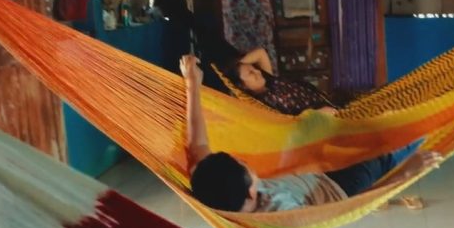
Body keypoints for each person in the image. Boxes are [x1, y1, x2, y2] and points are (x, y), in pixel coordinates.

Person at [181, 55, 440, 212]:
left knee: (356, 128)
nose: (247, 161)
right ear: (251, 194)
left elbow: (198, 144)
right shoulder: (284, 216)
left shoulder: (210, 185)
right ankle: (431, 123)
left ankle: (389, 125)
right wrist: (407, 174)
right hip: (340, 187)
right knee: (396, 140)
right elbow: (349, 209)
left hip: (307, 169)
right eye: (246, 166)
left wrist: (192, 83)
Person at [221, 47, 339, 116]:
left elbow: (261, 53)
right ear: (242, 86)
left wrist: (237, 67)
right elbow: (291, 125)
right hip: (323, 117)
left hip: (329, 102)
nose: (258, 72)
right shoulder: (263, 106)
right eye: (251, 73)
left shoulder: (271, 81)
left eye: (255, 69)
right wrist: (318, 114)